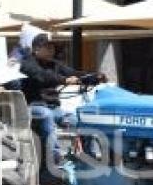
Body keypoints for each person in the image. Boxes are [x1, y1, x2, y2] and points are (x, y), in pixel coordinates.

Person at [20, 34, 105, 165]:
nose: (51, 50)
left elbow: (74, 73)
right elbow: (43, 76)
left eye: (52, 47)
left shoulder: (55, 65)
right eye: (48, 47)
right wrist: (64, 80)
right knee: (46, 115)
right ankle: (56, 160)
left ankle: (88, 157)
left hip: (55, 109)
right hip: (34, 107)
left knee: (81, 120)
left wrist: (93, 77)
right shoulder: (27, 64)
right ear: (36, 49)